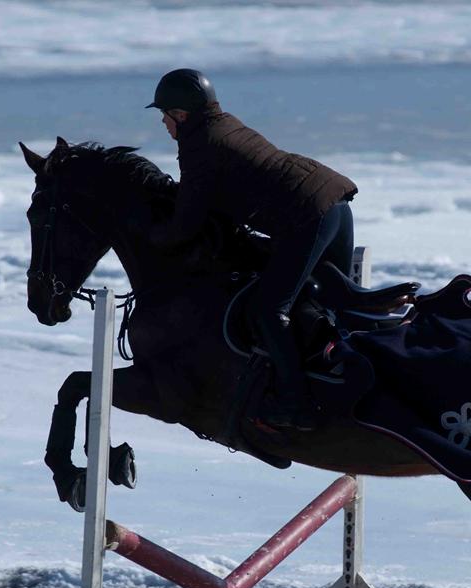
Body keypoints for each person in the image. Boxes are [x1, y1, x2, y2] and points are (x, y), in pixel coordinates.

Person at [146, 68, 358, 432]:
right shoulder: (224, 123)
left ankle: (297, 406)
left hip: (309, 218)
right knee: (334, 305)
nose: (164, 124)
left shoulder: (199, 145)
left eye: (165, 115)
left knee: (268, 309)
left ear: (181, 115)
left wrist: (151, 238)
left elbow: (187, 223)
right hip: (334, 204)